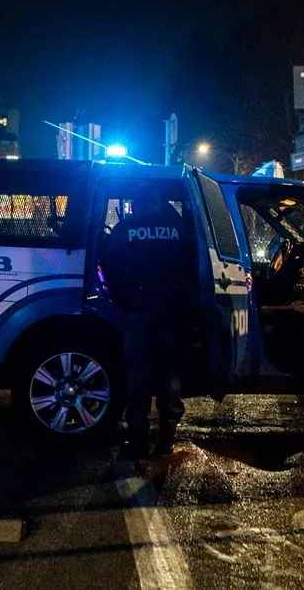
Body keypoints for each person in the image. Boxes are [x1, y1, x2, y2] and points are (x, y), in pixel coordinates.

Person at [103, 182, 195, 462]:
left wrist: (122, 300)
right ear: (158, 202)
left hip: (136, 311)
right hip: (170, 311)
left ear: (135, 204)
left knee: (137, 375)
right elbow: (193, 265)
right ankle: (167, 439)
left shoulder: (124, 230)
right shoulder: (178, 229)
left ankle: (138, 441)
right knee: (169, 372)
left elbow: (108, 266)